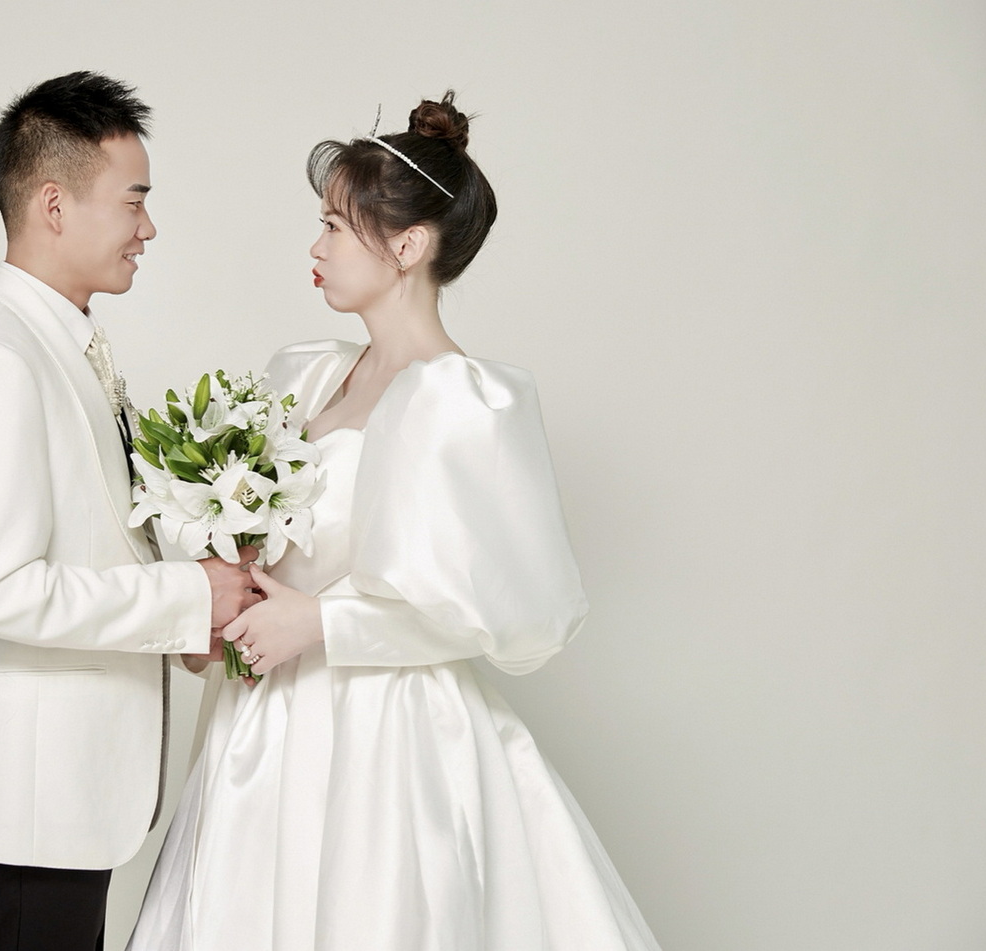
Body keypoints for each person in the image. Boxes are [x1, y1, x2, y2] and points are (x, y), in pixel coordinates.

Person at [127, 93, 661, 950]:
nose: (317, 246)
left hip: (386, 733)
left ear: (407, 246)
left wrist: (321, 622)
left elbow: (505, 612)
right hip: (267, 722)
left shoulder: (465, 402)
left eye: (336, 225)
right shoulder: (306, 375)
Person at [0, 72, 260, 951]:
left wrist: (197, 618)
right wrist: (189, 596)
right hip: (30, 809)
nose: (149, 227)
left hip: (64, 804)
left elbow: (95, 537)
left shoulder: (56, 342)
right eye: (133, 201)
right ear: (54, 204)